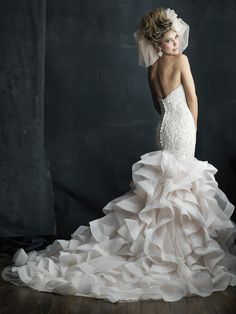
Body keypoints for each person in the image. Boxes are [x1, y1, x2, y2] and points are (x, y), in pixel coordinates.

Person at [2, 7, 236, 303]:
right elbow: (192, 98)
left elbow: (158, 106)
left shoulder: (152, 70)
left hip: (164, 128)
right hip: (183, 127)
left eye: (176, 38)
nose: (175, 43)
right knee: (180, 185)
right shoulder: (182, 61)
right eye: (169, 39)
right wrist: (193, 129)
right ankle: (175, 251)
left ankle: (166, 245)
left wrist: (174, 122)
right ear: (158, 42)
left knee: (168, 185)